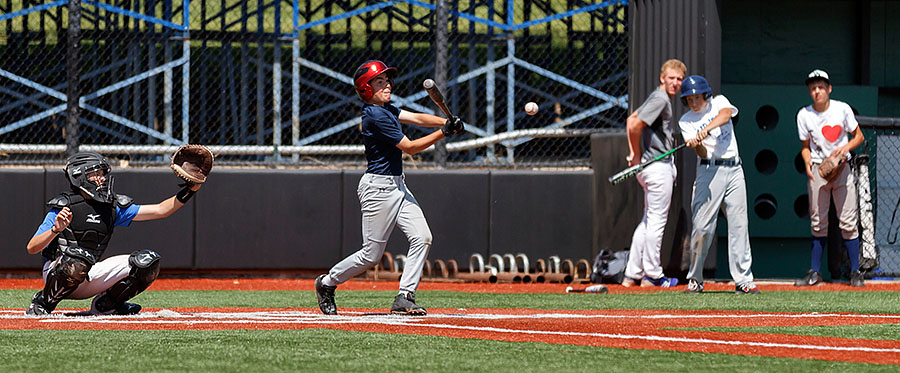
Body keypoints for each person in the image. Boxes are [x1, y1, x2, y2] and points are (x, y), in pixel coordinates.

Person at [314, 60, 463, 315]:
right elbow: (410, 148)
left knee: (422, 237)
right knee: (371, 256)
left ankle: (405, 295)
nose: (387, 85)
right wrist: (444, 133)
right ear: (365, 90)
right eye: (380, 82)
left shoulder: (387, 109)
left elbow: (416, 117)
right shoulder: (374, 116)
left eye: (387, 81)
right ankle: (327, 282)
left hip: (398, 186)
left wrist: (446, 121)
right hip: (378, 190)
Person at [25, 151, 203, 315]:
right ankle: (43, 302)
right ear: (78, 176)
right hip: (58, 274)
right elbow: (32, 248)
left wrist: (190, 190)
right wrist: (56, 229)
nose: (102, 178)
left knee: (147, 261)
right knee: (77, 259)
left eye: (103, 173)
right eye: (96, 174)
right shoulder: (64, 206)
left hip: (90, 274)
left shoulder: (111, 207)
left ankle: (106, 304)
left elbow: (161, 210)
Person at [678, 75, 759, 295]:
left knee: (739, 226)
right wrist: (697, 144)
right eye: (690, 99)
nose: (694, 102)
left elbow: (725, 116)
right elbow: (702, 153)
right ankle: (695, 279)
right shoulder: (686, 121)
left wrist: (706, 128)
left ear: (706, 94)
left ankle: (744, 280)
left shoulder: (720, 102)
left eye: (698, 97)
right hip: (708, 170)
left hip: (734, 168)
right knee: (703, 228)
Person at [794, 69, 865, 287]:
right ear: (809, 91)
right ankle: (815, 272)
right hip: (819, 168)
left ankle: (855, 272)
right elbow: (805, 147)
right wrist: (807, 162)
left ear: (829, 89)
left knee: (848, 221)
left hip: (842, 167)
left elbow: (859, 136)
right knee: (818, 221)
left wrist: (844, 148)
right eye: (813, 88)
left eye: (821, 87)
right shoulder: (804, 114)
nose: (817, 91)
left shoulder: (841, 109)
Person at [621, 59, 686, 288]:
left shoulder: (656, 96)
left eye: (679, 79)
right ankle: (652, 275)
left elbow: (630, 120)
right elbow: (635, 125)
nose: (675, 83)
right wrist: (636, 155)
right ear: (662, 78)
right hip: (657, 166)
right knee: (657, 221)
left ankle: (632, 274)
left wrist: (633, 154)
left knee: (648, 220)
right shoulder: (660, 98)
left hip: (649, 168)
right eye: (671, 78)